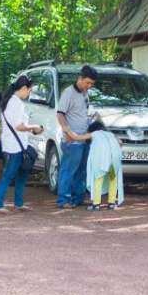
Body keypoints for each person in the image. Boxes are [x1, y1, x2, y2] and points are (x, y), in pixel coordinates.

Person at [0, 75, 44, 214]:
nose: (29, 94)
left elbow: (19, 126)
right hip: (16, 145)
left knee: (22, 173)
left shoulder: (10, 101)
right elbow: (19, 126)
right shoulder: (16, 103)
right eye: (29, 91)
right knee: (9, 175)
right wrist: (33, 126)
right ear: (23, 88)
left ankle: (18, 203)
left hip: (17, 144)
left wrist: (31, 130)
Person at [56, 65, 97, 209]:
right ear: (80, 78)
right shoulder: (68, 93)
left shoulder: (85, 92)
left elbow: (81, 112)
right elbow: (60, 114)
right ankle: (63, 200)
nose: (89, 85)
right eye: (87, 82)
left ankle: (78, 198)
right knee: (68, 169)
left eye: (92, 83)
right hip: (72, 139)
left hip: (84, 137)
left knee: (81, 170)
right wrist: (67, 131)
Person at [64, 120, 124, 211]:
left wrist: (68, 131)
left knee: (98, 179)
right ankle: (111, 203)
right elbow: (120, 142)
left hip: (102, 160)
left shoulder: (94, 134)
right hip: (113, 160)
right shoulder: (111, 135)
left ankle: (96, 204)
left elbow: (77, 137)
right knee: (112, 179)